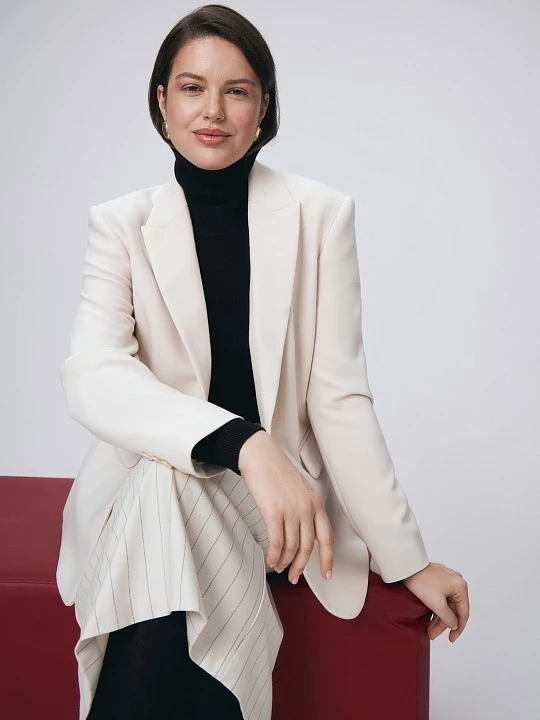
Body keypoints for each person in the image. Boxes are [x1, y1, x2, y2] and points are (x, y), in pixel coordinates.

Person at [56, 4, 470, 719]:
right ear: (162, 101)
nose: (212, 110)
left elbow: (339, 400)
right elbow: (93, 375)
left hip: (274, 509)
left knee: (169, 502)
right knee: (167, 482)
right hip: (166, 487)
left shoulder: (319, 214)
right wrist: (244, 444)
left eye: (237, 90)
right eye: (192, 88)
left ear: (264, 107)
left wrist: (407, 559)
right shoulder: (120, 224)